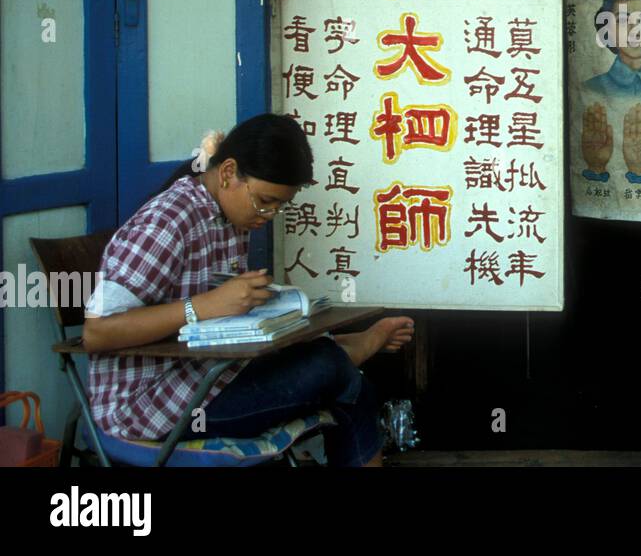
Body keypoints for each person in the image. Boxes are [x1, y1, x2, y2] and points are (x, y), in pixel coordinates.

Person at [82, 114, 414, 467]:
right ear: (228, 173)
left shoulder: (227, 214)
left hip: (213, 375)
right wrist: (205, 305)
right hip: (153, 406)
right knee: (333, 372)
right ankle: (342, 352)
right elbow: (98, 331)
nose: (269, 214)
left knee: (348, 382)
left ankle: (339, 352)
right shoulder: (166, 222)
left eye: (280, 206)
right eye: (265, 201)